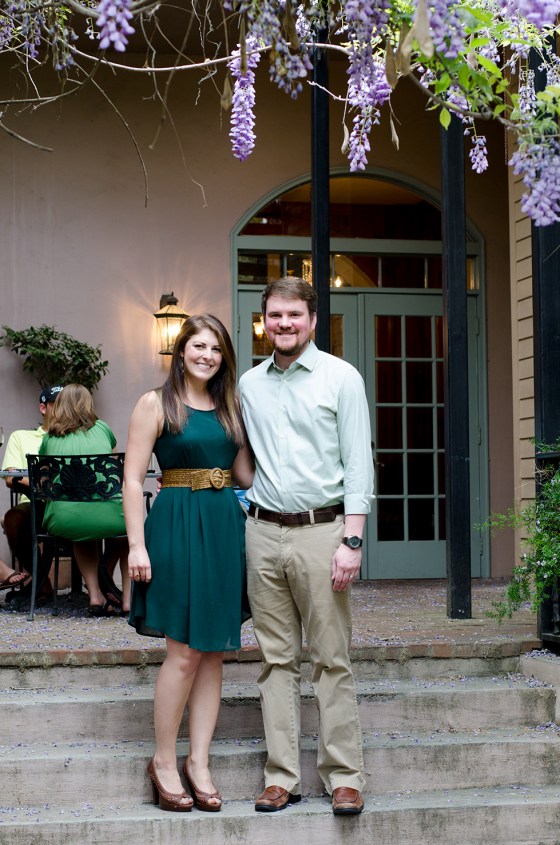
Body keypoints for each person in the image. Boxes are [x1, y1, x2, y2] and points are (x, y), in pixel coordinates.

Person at [239, 276, 374, 816]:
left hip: (324, 532)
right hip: (263, 531)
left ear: (312, 321)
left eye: (294, 315)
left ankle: (344, 775)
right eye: (275, 315)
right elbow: (244, 455)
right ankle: (282, 776)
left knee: (331, 657)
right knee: (275, 660)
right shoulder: (248, 384)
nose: (285, 324)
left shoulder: (341, 378)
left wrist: (352, 539)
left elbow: (357, 463)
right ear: (264, 321)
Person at [123, 314, 253, 813]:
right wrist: (136, 544)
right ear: (181, 352)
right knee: (182, 651)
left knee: (214, 650)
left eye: (216, 349)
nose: (207, 355)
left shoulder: (229, 406)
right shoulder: (156, 403)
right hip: (174, 525)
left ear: (224, 357)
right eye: (198, 346)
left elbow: (242, 473)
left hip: (223, 527)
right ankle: (162, 760)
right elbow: (133, 479)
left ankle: (199, 762)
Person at [39, 383, 129, 616]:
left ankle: (95, 596)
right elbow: (113, 469)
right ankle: (129, 600)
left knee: (81, 529)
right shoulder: (103, 429)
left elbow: (44, 476)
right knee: (129, 535)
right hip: (111, 516)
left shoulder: (50, 437)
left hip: (64, 519)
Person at [2, 385, 64, 595]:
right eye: (57, 405)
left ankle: (102, 588)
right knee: (14, 518)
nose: (62, 410)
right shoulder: (21, 437)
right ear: (43, 408)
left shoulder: (77, 439)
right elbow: (11, 477)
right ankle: (42, 584)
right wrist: (47, 487)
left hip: (72, 505)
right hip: (35, 505)